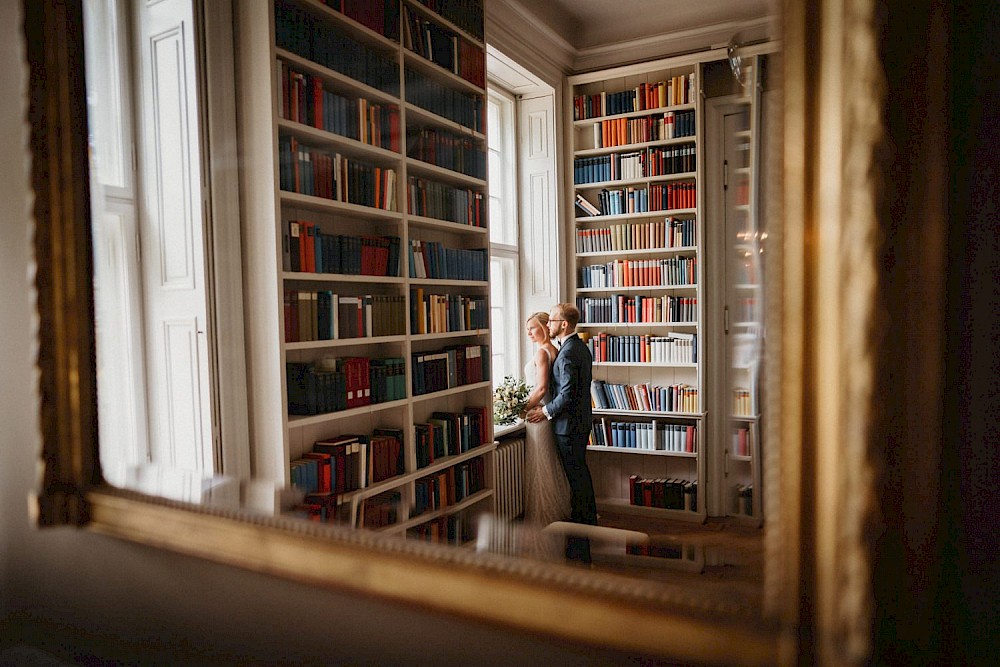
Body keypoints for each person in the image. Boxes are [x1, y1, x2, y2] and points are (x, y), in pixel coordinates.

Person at [526, 303, 598, 528]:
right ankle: (586, 520)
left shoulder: (567, 353)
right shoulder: (578, 346)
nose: (549, 325)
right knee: (579, 475)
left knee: (576, 477)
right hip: (579, 421)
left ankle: (583, 524)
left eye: (552, 322)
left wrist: (545, 412)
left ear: (563, 324)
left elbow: (566, 395)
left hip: (569, 425)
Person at [521, 312, 572, 525]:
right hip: (549, 416)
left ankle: (546, 516)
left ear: (544, 327)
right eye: (527, 329)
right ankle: (558, 513)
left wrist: (519, 408)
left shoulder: (543, 353)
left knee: (542, 470)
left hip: (539, 416)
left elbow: (541, 389)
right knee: (550, 466)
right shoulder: (557, 350)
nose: (529, 333)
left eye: (532, 328)